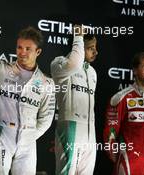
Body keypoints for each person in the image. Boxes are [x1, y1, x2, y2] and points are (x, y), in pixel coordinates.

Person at [0, 26, 56, 175]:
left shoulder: (47, 82)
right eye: (19, 47)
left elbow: (46, 119)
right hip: (2, 135)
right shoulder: (2, 69)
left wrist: (28, 136)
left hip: (28, 142)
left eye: (28, 49)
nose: (22, 52)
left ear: (38, 52)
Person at [103, 52, 144, 175]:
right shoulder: (121, 98)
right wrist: (119, 157)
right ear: (135, 70)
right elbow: (110, 133)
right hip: (129, 163)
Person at [51, 25, 98, 175]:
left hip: (90, 133)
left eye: (95, 47)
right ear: (78, 46)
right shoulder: (59, 63)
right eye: (91, 48)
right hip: (70, 127)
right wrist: (78, 36)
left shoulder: (92, 72)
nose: (96, 51)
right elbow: (74, 64)